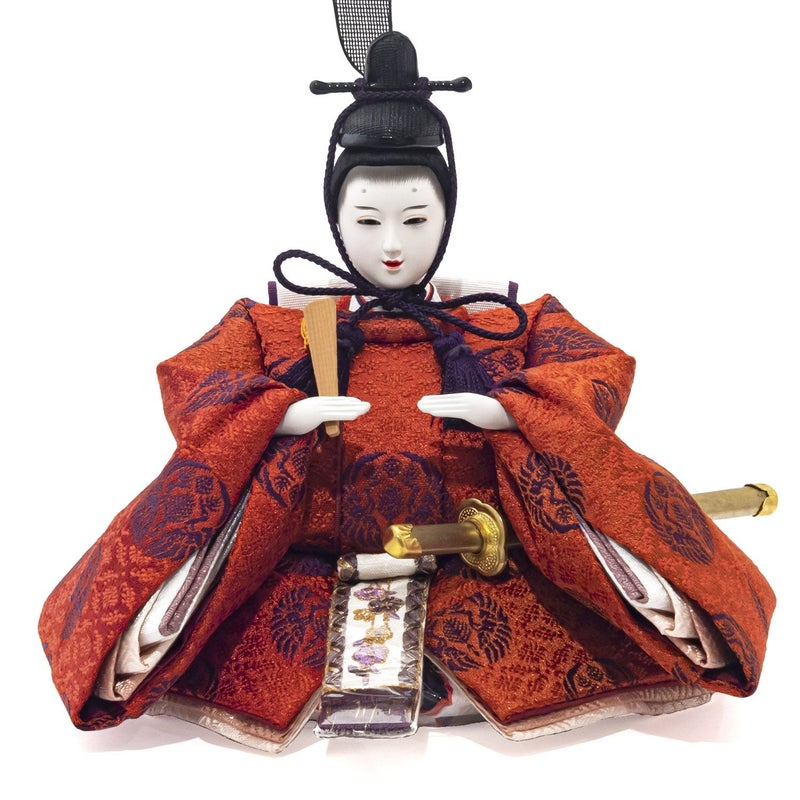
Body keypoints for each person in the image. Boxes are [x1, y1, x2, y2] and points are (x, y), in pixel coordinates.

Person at [38, 31, 774, 752]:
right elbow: (194, 383)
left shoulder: (501, 321)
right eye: (367, 220)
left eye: (416, 219)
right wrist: (280, 412)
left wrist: (511, 410)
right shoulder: (276, 325)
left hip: (485, 569)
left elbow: (596, 371)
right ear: (335, 219)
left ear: (447, 217)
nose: (392, 244)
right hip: (302, 574)